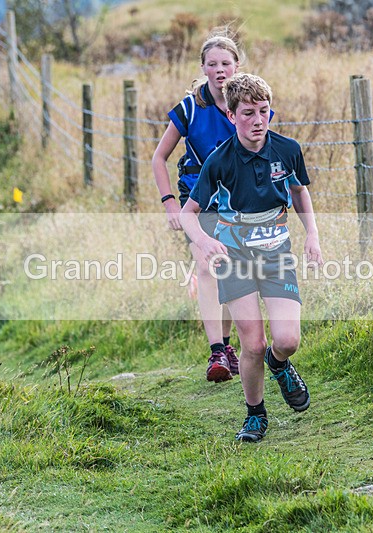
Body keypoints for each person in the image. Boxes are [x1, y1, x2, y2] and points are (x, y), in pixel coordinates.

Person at [180, 73, 322, 442]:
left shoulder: (287, 149)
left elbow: (299, 191)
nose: (257, 121)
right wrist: (203, 242)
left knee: (287, 340)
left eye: (263, 112)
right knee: (253, 344)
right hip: (235, 259)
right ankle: (255, 415)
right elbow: (188, 213)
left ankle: (280, 364)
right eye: (247, 113)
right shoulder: (219, 160)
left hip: (277, 256)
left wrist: (313, 236)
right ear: (231, 115)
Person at [152, 33, 244, 383]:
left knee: (230, 273)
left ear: (236, 66)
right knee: (207, 266)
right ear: (202, 68)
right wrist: (169, 204)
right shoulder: (190, 108)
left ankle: (229, 346)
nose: (220, 70)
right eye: (213, 64)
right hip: (198, 202)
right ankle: (216, 352)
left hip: (238, 204)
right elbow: (159, 158)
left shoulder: (248, 102)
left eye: (226, 63)